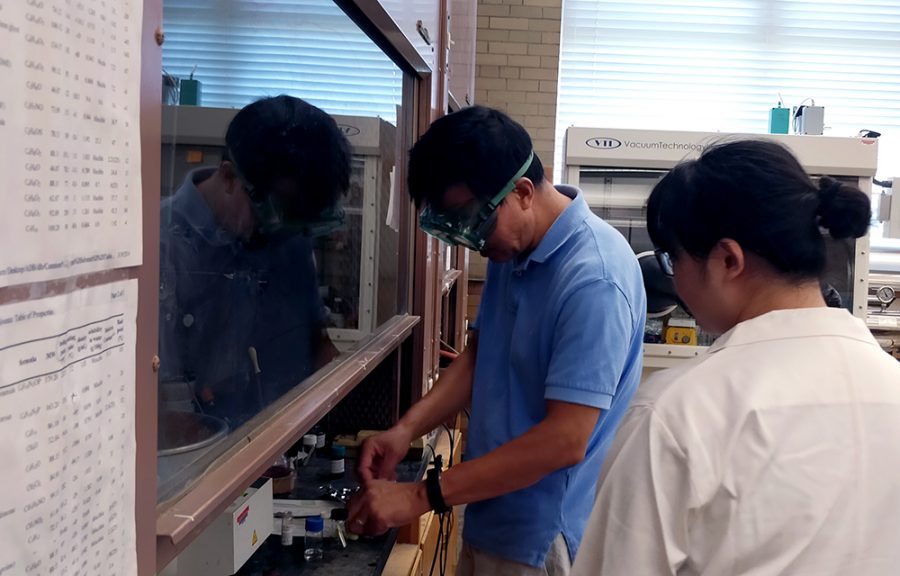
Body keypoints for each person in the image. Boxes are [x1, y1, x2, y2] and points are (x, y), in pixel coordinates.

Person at [573, 139, 900, 575]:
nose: (673, 279)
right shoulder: (891, 384)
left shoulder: (676, 412)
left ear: (727, 260)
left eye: (673, 258)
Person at [347, 106, 646, 576]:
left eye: (475, 224)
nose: (473, 242)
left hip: (540, 542)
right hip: (490, 514)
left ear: (522, 192)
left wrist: (419, 495)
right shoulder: (515, 251)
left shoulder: (594, 281)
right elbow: (480, 356)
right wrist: (407, 429)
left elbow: (564, 441)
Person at [158, 95, 348, 428]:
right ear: (229, 177)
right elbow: (158, 410)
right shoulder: (160, 245)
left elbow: (317, 346)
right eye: (272, 215)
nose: (280, 234)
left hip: (277, 446)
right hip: (195, 459)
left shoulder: (288, 239)